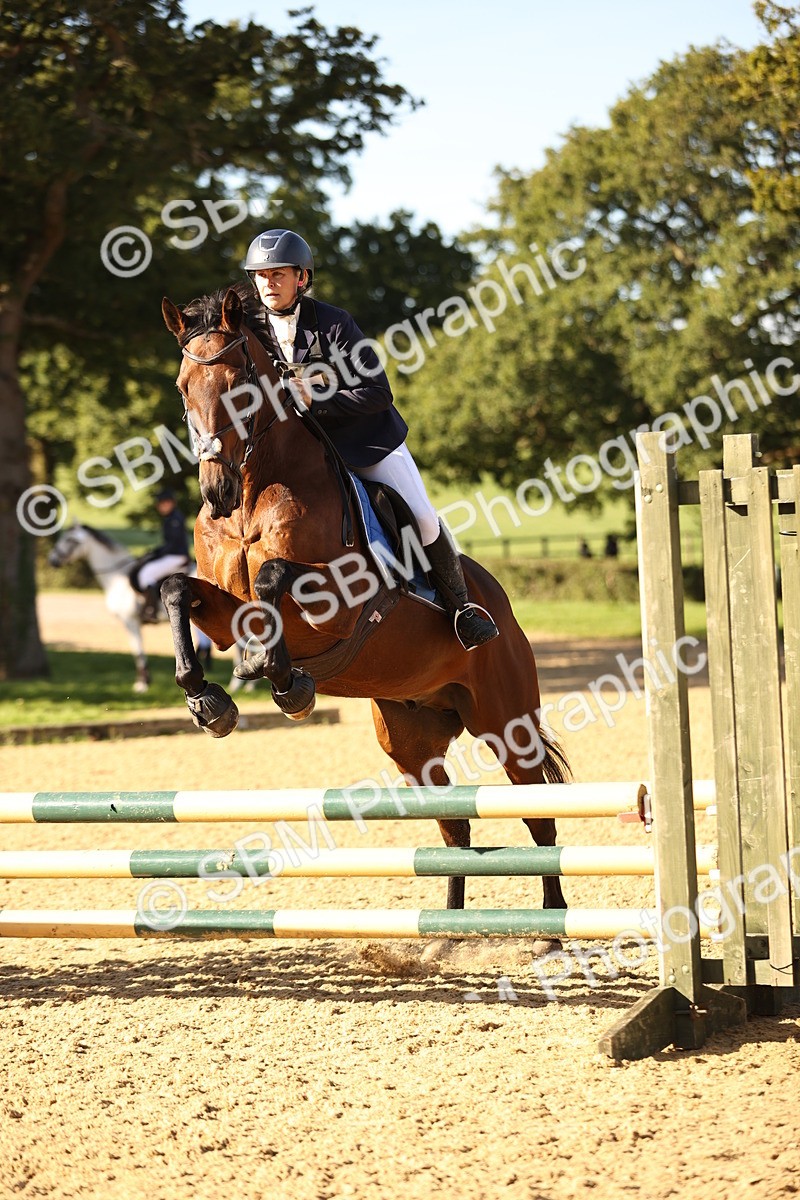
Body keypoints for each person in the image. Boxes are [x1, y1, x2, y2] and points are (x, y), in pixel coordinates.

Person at [242, 227, 499, 650]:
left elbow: (378, 393)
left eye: (278, 274)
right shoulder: (249, 331)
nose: (269, 283)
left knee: (422, 517)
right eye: (261, 275)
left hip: (365, 441)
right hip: (304, 454)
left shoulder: (334, 324)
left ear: (301, 278)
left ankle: (461, 608)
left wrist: (315, 398)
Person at [131, 489, 191, 623]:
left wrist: (156, 554)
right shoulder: (171, 518)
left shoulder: (175, 519)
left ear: (170, 503)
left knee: (146, 574)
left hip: (177, 556)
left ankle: (151, 611)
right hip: (173, 555)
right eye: (159, 504)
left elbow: (173, 544)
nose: (159, 506)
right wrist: (155, 553)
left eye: (162, 503)